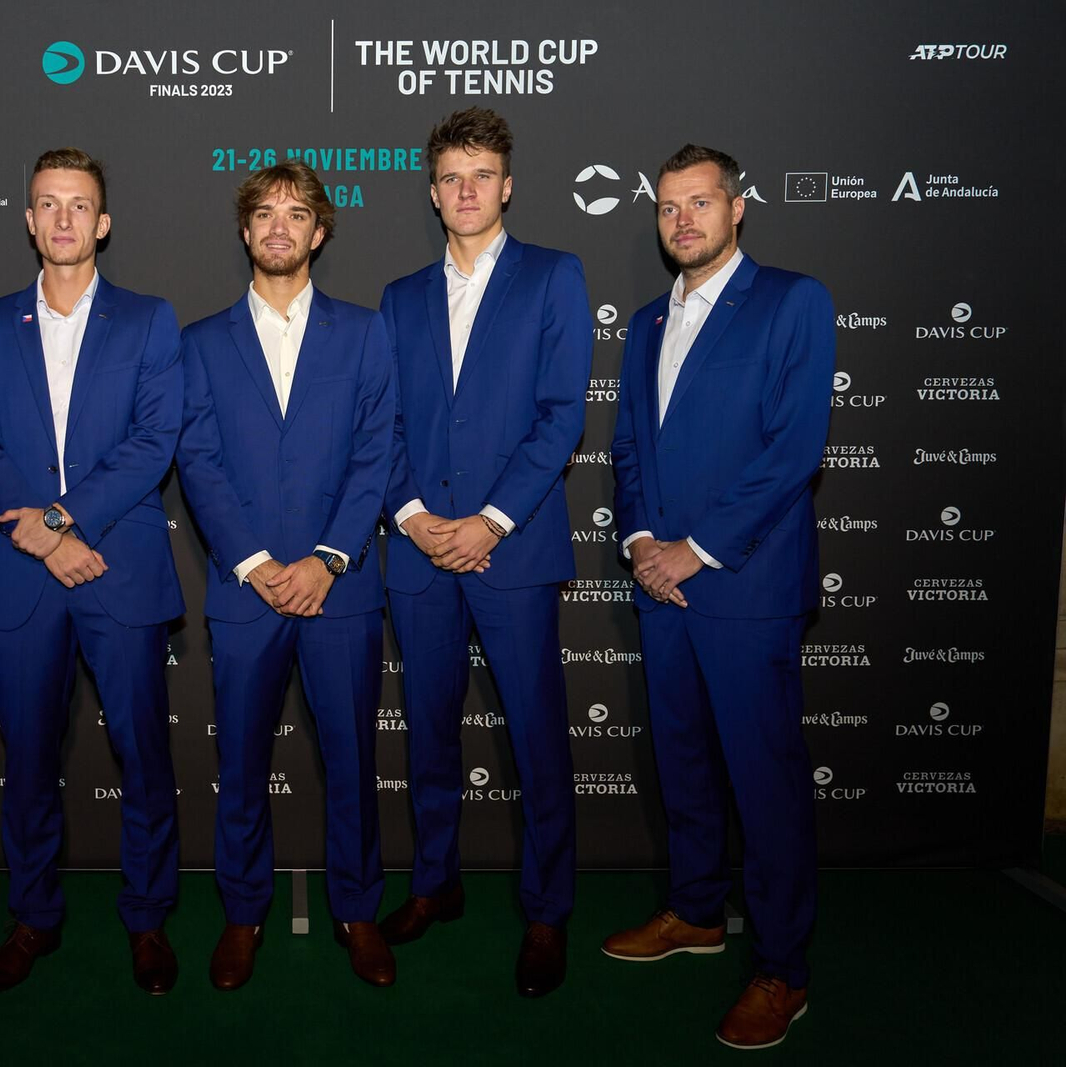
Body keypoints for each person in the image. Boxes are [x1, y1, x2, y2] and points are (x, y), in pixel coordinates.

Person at [605, 143, 833, 1050]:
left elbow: (793, 450)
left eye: (700, 203)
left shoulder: (791, 301)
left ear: (737, 209)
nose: (683, 220)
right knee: (685, 762)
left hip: (744, 585)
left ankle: (783, 967)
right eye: (667, 206)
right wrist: (638, 544)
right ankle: (696, 910)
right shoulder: (649, 326)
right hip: (661, 586)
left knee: (765, 783)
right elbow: (628, 447)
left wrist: (694, 551)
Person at [0, 148, 185, 997]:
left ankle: (150, 917)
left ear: (103, 222)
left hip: (117, 567)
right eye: (47, 204)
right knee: (25, 762)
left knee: (144, 756)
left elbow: (152, 444)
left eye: (78, 205)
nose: (62, 220)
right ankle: (33, 915)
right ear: (27, 219)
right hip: (24, 581)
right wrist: (49, 541)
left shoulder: (150, 320)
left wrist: (60, 521)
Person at [378, 107, 590, 997]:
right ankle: (436, 882)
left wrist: (492, 519)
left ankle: (547, 911)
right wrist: (417, 516)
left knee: (537, 735)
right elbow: (378, 424)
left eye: (481, 176)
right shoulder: (399, 297)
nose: (466, 191)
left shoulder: (553, 277)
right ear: (433, 193)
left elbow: (561, 415)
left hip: (514, 548)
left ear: (506, 186)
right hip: (421, 552)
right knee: (428, 730)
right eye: (450, 177)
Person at [176, 163, 396, 990]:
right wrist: (262, 565)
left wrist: (330, 558)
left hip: (340, 590)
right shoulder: (198, 342)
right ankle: (242, 913)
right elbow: (196, 462)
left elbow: (377, 452)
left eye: (296, 214)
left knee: (352, 762)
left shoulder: (367, 333)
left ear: (320, 232)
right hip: (246, 594)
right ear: (244, 233)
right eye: (264, 214)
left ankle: (359, 909)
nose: (278, 227)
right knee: (239, 766)